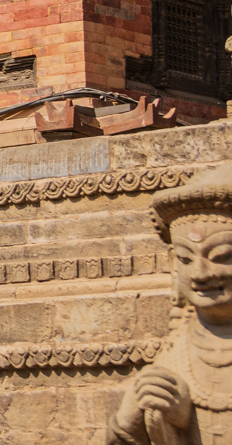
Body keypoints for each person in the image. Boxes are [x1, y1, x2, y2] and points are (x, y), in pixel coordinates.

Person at [109, 162, 232, 444]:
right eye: (186, 259)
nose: (200, 275)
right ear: (172, 264)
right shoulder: (175, 357)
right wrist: (129, 425)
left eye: (222, 256)